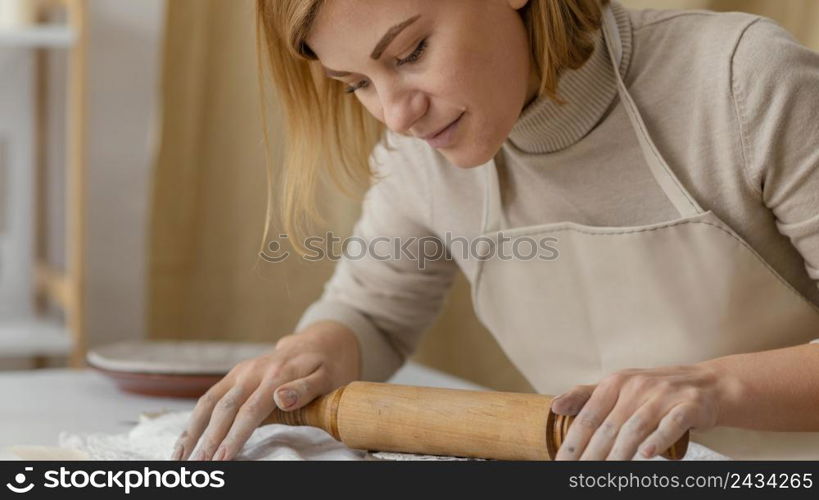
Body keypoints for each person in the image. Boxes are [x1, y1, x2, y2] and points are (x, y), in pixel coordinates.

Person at [173, 0, 819, 461]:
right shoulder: (419, 156)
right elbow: (372, 315)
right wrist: (313, 349)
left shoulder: (741, 81)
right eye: (356, 85)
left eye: (410, 52)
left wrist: (714, 389)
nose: (396, 114)